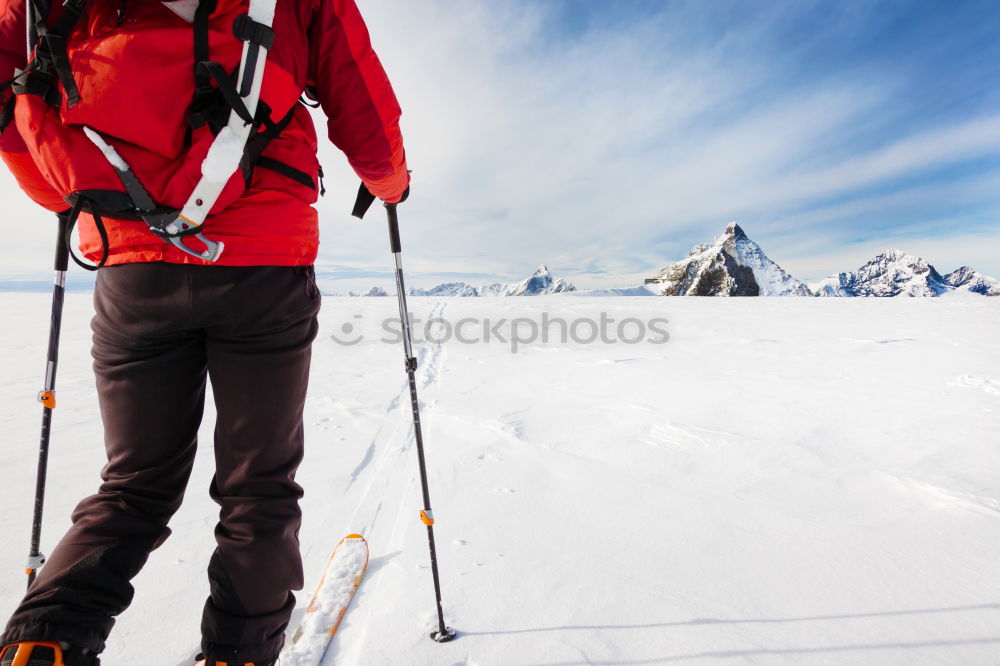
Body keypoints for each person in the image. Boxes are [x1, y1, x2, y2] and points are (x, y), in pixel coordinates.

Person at [0, 0, 409, 664]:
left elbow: (10, 92)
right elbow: (359, 96)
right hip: (263, 265)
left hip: (132, 265)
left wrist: (70, 194)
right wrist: (390, 184)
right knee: (259, 485)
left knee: (133, 483)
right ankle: (239, 653)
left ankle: (43, 643)